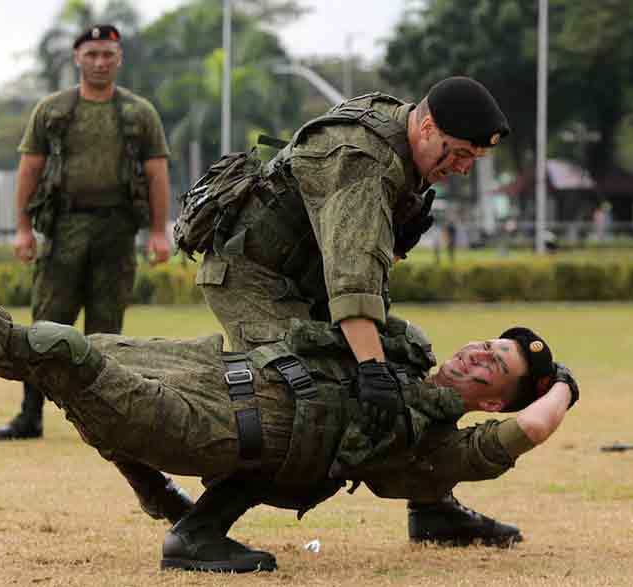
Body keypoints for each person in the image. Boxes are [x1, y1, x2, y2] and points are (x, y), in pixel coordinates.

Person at [0, 170, 579, 573]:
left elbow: (523, 436)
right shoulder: (400, 347)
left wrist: (564, 388)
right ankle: (183, 521)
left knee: (56, 353)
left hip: (216, 426)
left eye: (496, 366)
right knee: (84, 354)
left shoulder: (436, 443)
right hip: (206, 364)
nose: (478, 353)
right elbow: (333, 290)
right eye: (488, 343)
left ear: (495, 399)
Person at [175, 76, 519, 550]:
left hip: (310, 275)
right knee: (307, 397)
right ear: (426, 124)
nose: (461, 168)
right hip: (252, 275)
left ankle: (433, 506)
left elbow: (368, 266)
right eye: (457, 153)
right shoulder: (363, 161)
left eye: (472, 161)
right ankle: (198, 531)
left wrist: (386, 365)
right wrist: (371, 370)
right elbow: (352, 278)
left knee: (408, 362)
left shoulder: (403, 139)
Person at [0, 23, 172, 442]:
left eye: (108, 54)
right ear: (77, 58)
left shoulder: (139, 114)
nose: (99, 62)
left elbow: (157, 174)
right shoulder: (53, 111)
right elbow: (29, 169)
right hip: (64, 229)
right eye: (91, 54)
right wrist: (22, 228)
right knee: (45, 327)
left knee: (107, 332)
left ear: (119, 58)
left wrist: (159, 232)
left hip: (117, 229)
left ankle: (105, 421)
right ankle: (29, 416)